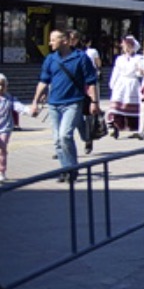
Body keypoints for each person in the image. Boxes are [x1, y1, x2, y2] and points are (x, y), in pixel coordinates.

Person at [29, 29, 100, 179]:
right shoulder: (50, 59)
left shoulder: (81, 58)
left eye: (53, 40)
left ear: (65, 41)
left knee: (65, 136)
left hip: (73, 103)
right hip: (53, 104)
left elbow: (91, 82)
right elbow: (43, 81)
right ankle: (66, 169)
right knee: (57, 139)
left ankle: (71, 169)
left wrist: (94, 102)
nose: (50, 43)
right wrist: (35, 101)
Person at [106, 36, 144, 138]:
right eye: (124, 46)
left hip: (132, 84)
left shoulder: (138, 58)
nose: (125, 48)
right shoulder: (120, 59)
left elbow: (139, 72)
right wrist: (112, 83)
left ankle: (131, 126)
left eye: (128, 46)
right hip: (121, 83)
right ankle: (114, 126)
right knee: (116, 106)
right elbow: (116, 72)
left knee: (130, 105)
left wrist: (140, 72)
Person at [0, 72, 15, 183]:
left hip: (5, 128)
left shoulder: (9, 98)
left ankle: (2, 171)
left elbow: (18, 106)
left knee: (2, 150)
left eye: (2, 85)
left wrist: (29, 110)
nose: (0, 87)